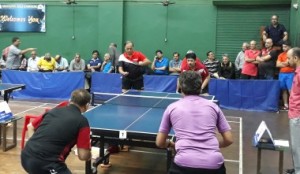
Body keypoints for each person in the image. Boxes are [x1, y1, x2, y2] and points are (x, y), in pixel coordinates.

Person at [156, 71, 233, 174]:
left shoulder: (172, 108)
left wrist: (171, 144)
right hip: (214, 164)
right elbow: (229, 140)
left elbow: (160, 142)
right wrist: (211, 146)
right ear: (200, 86)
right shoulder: (213, 107)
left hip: (183, 164)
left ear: (181, 87)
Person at [21, 89, 91, 174]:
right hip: (47, 164)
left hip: (25, 156)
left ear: (70, 100)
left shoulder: (53, 111)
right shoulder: (82, 121)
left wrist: (36, 149)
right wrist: (89, 154)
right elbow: (83, 156)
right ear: (87, 105)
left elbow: (30, 126)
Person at [287, 47, 300, 174]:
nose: (287, 61)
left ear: (295, 58)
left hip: (298, 115)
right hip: (294, 113)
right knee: (296, 145)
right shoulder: (296, 72)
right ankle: (297, 167)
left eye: (289, 58)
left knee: (297, 146)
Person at [276, 41, 294, 110]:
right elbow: (277, 65)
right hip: (282, 74)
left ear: (289, 47)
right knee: (284, 90)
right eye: (283, 47)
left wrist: (282, 63)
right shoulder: (281, 55)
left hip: (291, 74)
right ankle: (286, 105)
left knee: (291, 90)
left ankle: (293, 105)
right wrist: (286, 63)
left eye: (285, 46)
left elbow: (290, 63)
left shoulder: (293, 54)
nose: (283, 48)